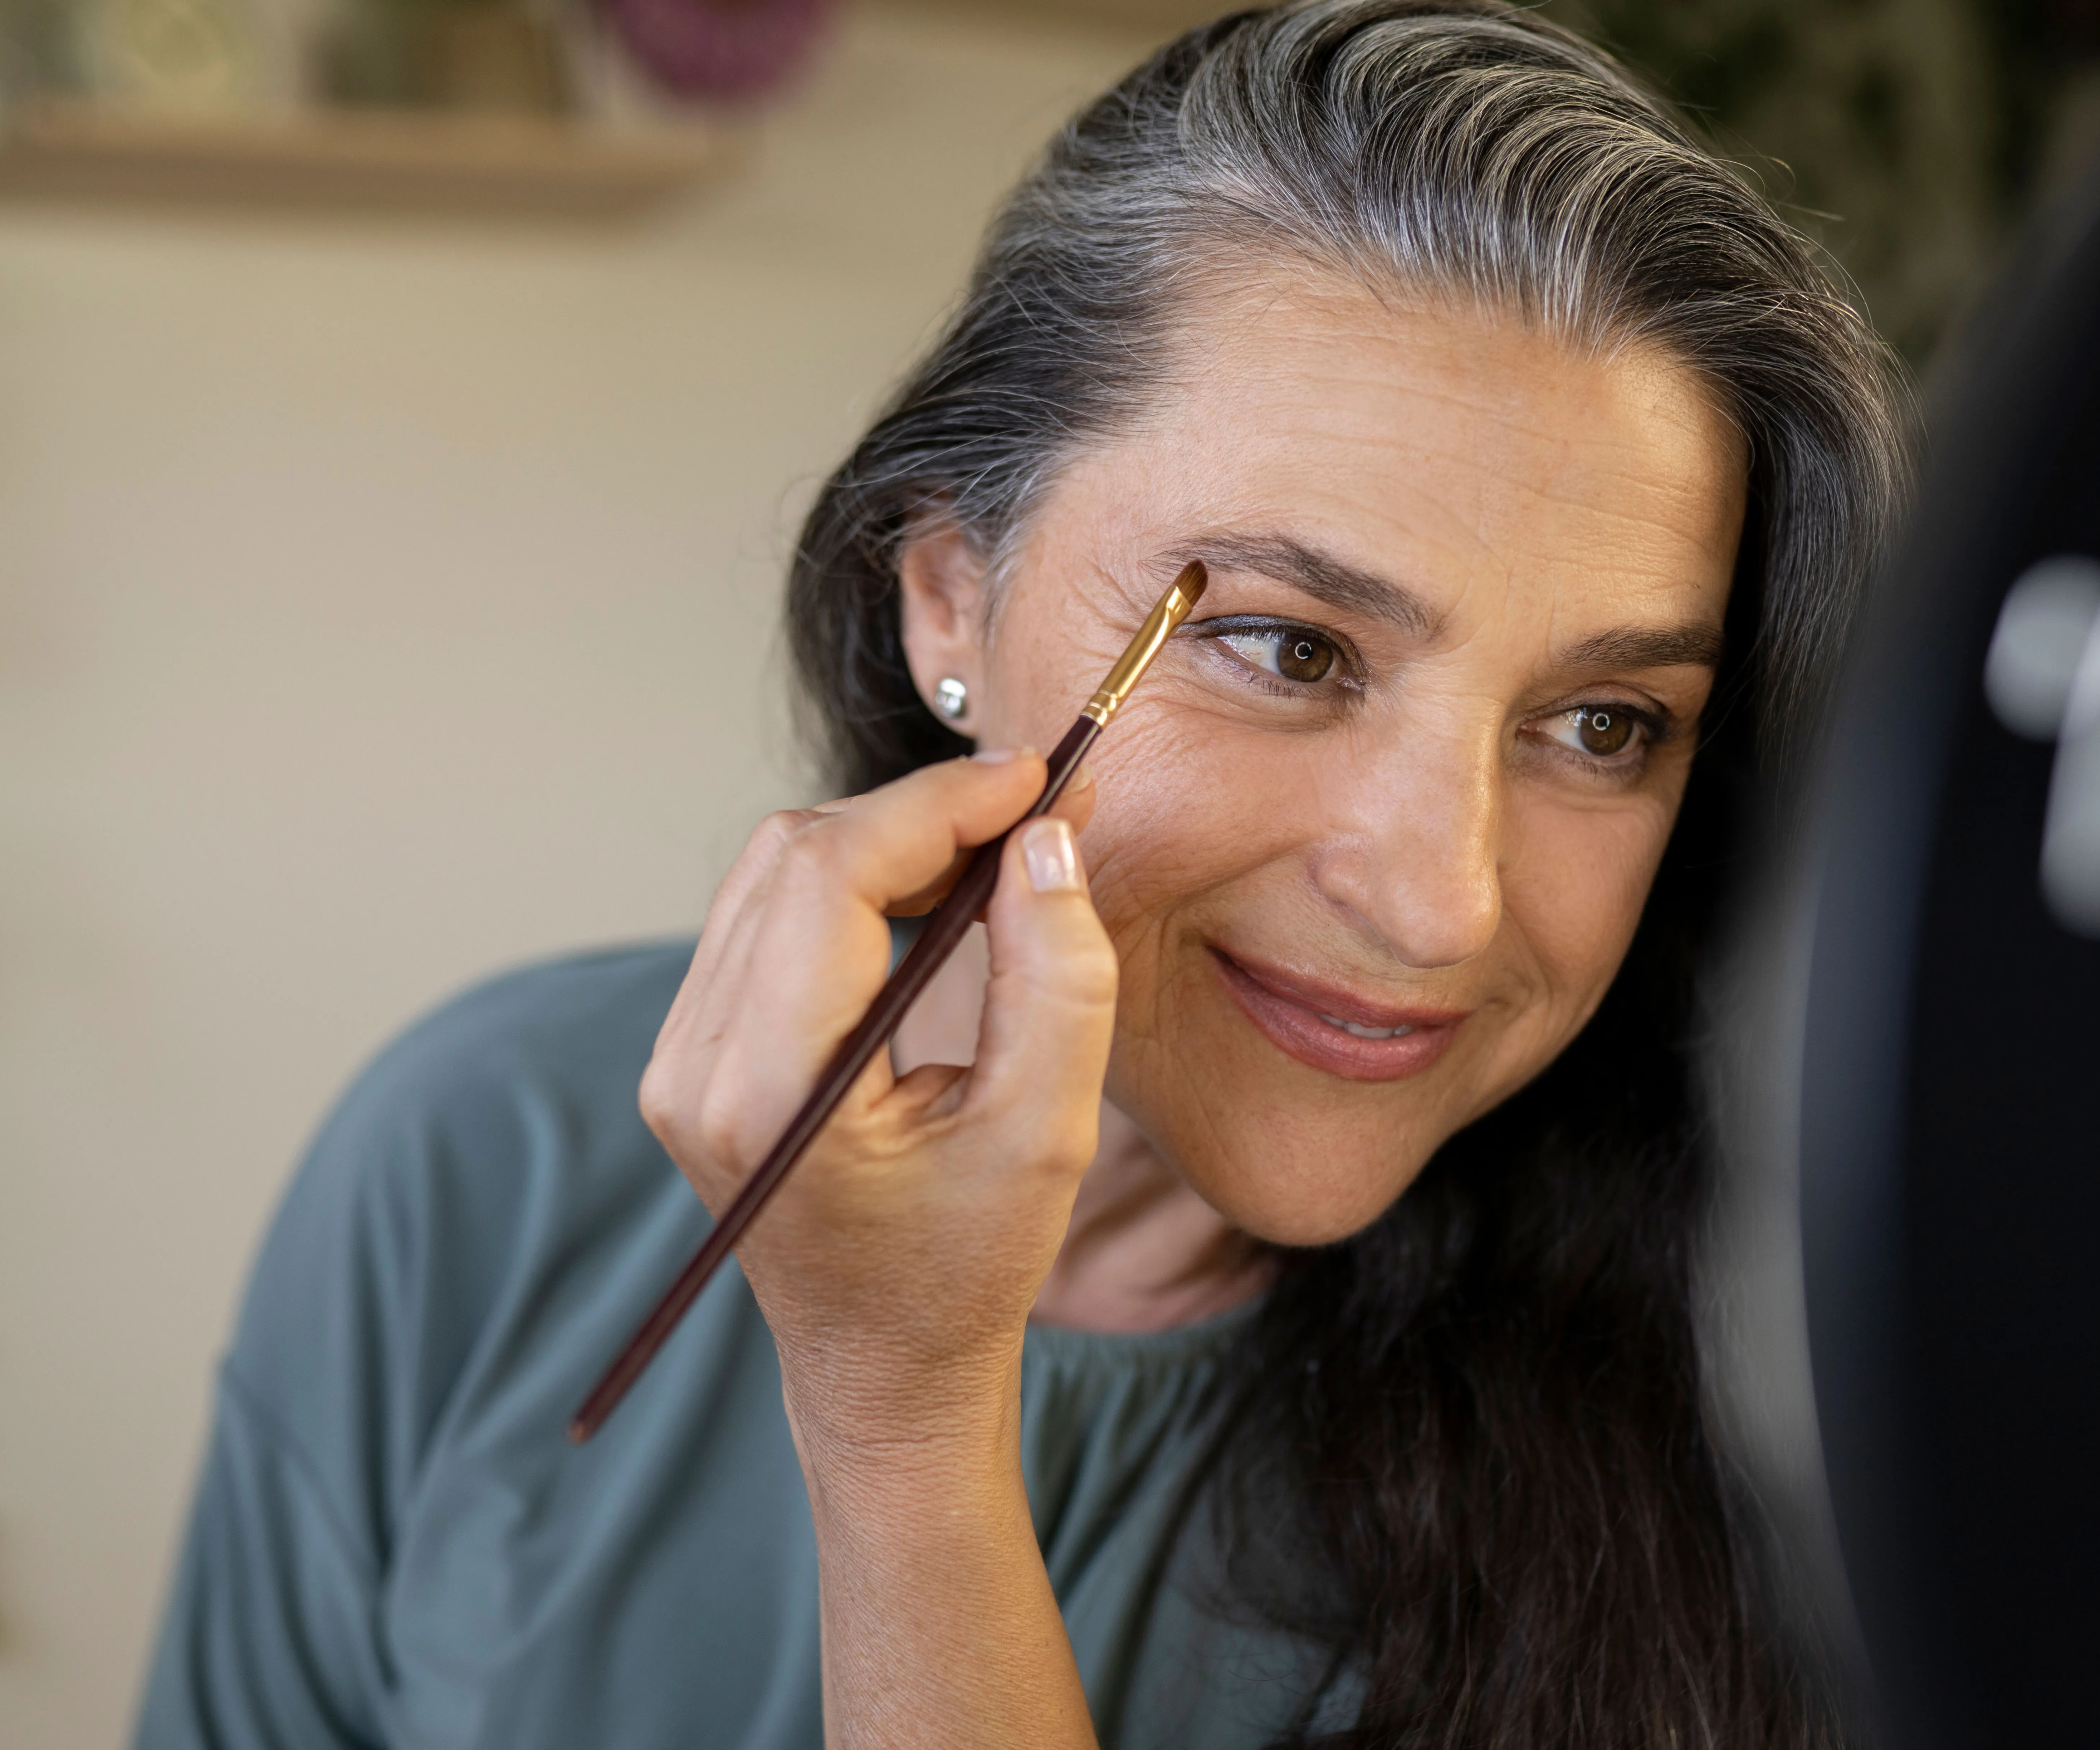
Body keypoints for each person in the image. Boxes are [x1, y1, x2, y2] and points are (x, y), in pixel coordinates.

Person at [132, 2, 1901, 1744]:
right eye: (1290, 650)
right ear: (947, 597)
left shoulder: (1808, 1417)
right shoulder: (479, 1158)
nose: (1442, 900)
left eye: (1602, 724)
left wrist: (901, 1423)